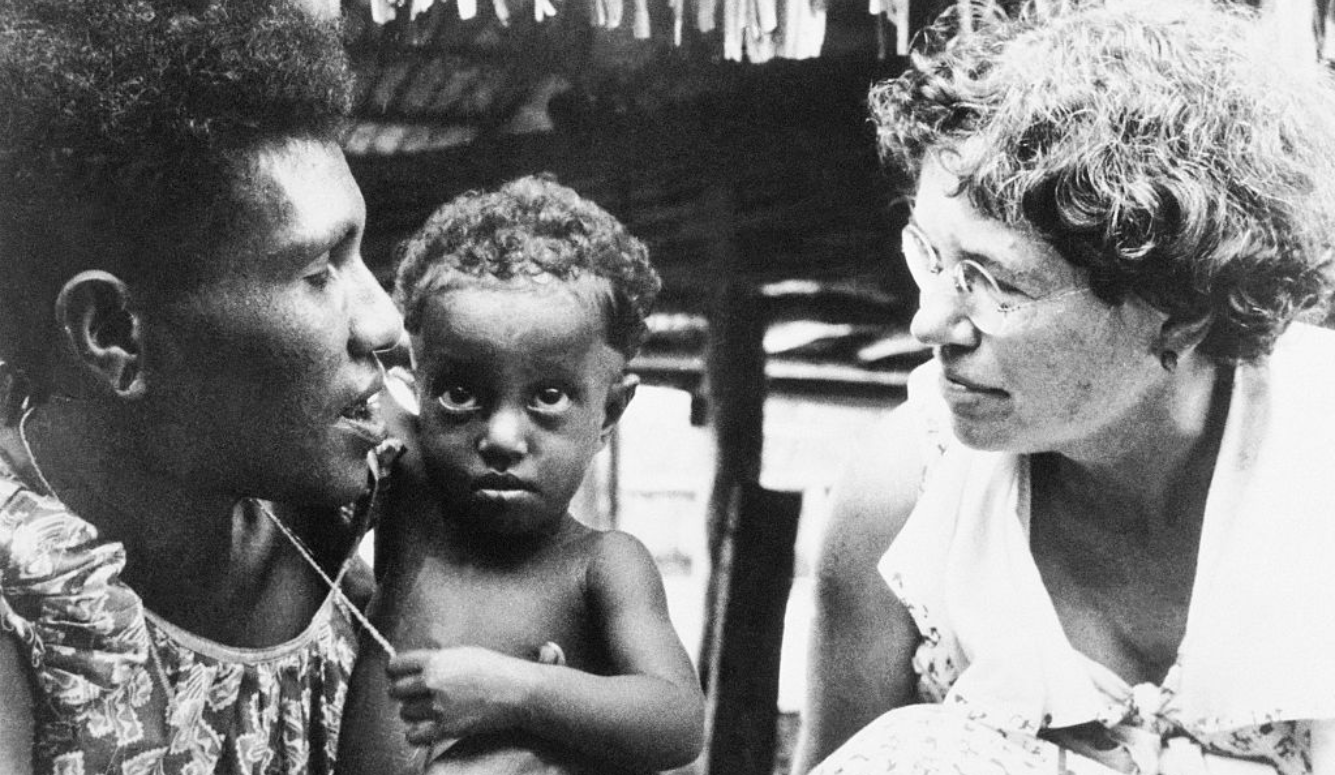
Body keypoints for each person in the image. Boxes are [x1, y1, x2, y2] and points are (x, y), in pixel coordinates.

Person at [792, 1, 1335, 774]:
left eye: (995, 283)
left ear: (1177, 310)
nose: (929, 321)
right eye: (930, 257)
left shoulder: (1321, 455)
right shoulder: (905, 497)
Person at [0, 0, 404, 772]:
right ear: (115, 333)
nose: (385, 322)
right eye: (319, 271)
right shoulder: (23, 596)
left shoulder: (345, 522)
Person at [337, 175, 705, 775]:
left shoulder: (601, 565)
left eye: (550, 396)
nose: (503, 438)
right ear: (417, 390)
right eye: (459, 393)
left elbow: (677, 721)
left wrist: (514, 692)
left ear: (608, 411)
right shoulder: (416, 494)